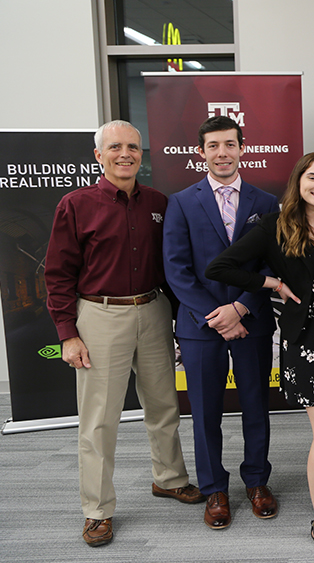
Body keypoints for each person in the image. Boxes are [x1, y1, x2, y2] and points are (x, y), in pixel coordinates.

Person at [44, 120, 203, 547]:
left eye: (133, 147)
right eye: (115, 147)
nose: (125, 153)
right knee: (99, 421)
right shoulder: (75, 205)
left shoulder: (158, 202)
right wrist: (67, 334)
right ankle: (97, 511)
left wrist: (182, 320)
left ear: (141, 155)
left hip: (153, 311)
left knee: (164, 406)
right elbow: (58, 275)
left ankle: (168, 479)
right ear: (99, 155)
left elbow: (173, 266)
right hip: (99, 316)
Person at [206, 153, 314, 558]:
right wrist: (271, 282)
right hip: (309, 341)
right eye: (313, 177)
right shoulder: (273, 227)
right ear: (298, 182)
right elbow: (220, 267)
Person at [163, 116, 280, 530]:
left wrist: (242, 308)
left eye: (229, 145)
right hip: (200, 326)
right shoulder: (180, 202)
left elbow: (272, 264)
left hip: (251, 321)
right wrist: (217, 316)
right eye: (213, 146)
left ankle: (257, 482)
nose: (222, 153)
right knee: (205, 411)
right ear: (201, 153)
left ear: (242, 148)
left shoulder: (266, 202)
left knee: (255, 406)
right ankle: (214, 488)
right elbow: (176, 271)